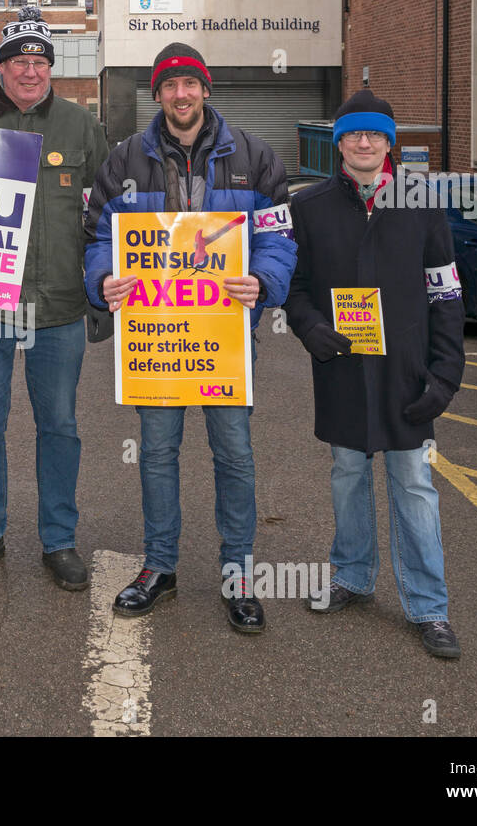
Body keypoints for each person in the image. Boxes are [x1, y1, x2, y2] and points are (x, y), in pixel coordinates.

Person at [83, 42, 297, 630]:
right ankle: (160, 567)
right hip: (155, 339)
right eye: (170, 85)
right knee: (156, 454)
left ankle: (239, 575)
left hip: (225, 338)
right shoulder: (126, 158)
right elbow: (100, 234)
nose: (181, 94)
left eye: (190, 84)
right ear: (158, 94)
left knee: (234, 455)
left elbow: (279, 237)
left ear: (206, 90)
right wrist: (104, 278)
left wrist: (265, 278)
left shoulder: (254, 156)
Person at [285, 89, 465, 658]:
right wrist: (311, 329)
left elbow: (446, 293)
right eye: (354, 133)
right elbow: (295, 288)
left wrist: (445, 377)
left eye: (376, 134)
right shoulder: (310, 207)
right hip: (342, 368)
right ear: (339, 142)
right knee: (348, 477)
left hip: (408, 374)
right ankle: (353, 577)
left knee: (415, 486)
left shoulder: (423, 200)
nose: (365, 142)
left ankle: (429, 607)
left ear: (390, 142)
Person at [0, 7, 110, 591]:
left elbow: (108, 211)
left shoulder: (80, 126)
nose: (31, 72)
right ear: (2, 68)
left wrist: (104, 280)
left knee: (59, 426)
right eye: (20, 62)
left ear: (50, 69)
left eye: (40, 62)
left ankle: (58, 541)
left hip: (60, 306)